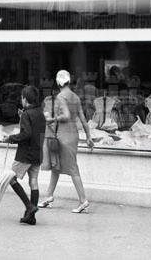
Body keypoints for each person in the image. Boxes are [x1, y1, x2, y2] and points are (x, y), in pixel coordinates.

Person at [38, 69, 94, 213]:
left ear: (58, 82)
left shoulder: (60, 97)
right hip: (73, 134)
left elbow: (66, 115)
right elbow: (83, 119)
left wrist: (52, 119)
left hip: (63, 136)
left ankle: (83, 200)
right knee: (56, 167)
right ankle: (49, 196)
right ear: (69, 81)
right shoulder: (75, 97)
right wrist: (88, 136)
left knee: (72, 169)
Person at [2, 85, 46, 225]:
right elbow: (35, 130)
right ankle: (31, 217)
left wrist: (11, 138)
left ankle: (29, 206)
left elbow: (26, 134)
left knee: (10, 178)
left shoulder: (27, 114)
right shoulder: (40, 113)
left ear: (25, 99)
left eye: (22, 97)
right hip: (37, 153)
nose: (21, 100)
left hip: (25, 153)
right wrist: (23, 117)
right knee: (33, 182)